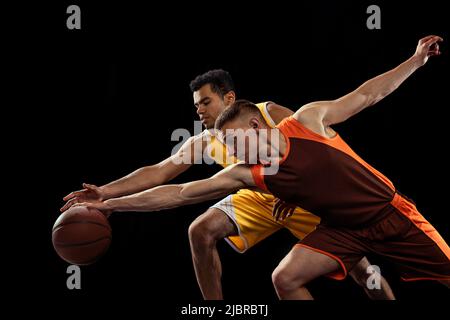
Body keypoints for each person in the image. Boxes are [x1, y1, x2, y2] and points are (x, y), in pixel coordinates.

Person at [62, 67, 394, 299]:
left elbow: (315, 151)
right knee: (200, 230)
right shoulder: (205, 140)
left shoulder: (267, 113)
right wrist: (105, 193)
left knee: (364, 273)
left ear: (229, 98)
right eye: (195, 106)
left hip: (302, 197)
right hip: (257, 197)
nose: (199, 111)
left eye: (205, 102)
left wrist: (299, 189)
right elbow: (160, 172)